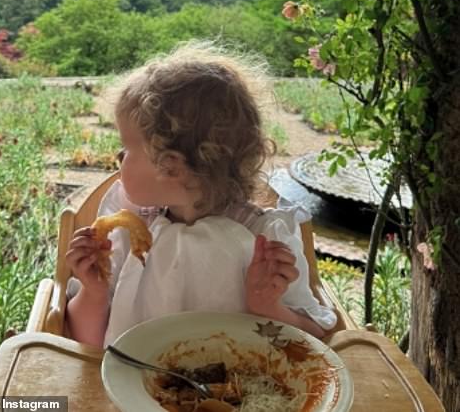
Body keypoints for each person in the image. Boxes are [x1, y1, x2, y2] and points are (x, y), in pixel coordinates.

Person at [64, 43, 337, 347]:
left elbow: (314, 339)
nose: (118, 156)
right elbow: (88, 345)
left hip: (239, 386)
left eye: (126, 148)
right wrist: (94, 293)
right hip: (129, 384)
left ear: (171, 166)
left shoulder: (264, 240)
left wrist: (269, 307)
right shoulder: (128, 235)